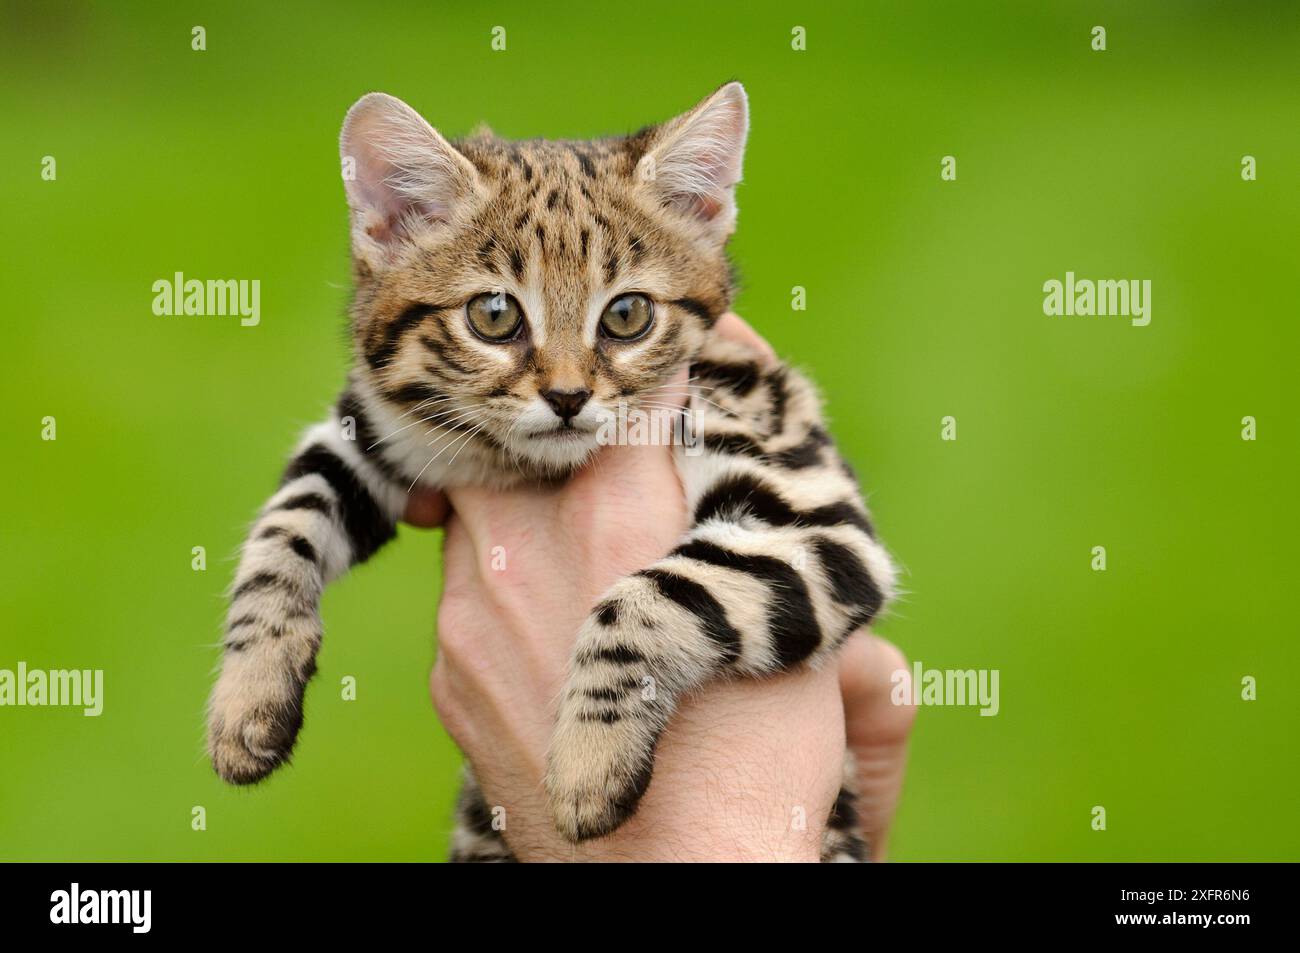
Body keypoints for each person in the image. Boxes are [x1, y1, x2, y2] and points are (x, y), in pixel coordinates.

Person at [405, 314, 916, 862]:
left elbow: (844, 568)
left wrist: (653, 844)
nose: (567, 381)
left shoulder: (721, 392)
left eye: (625, 314)